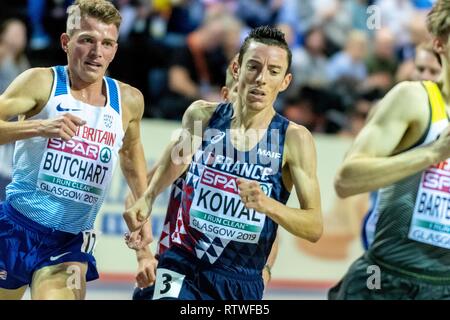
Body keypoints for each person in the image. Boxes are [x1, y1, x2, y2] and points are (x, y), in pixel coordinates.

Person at [125, 25, 323, 300]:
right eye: (253, 67)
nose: (261, 79)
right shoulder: (201, 116)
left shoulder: (294, 139)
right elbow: (175, 162)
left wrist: (267, 205)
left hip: (241, 281)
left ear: (285, 81)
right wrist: (148, 198)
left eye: (273, 72)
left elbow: (314, 226)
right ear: (236, 69)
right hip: (182, 264)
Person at [0, 0, 149, 300]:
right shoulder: (41, 82)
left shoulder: (128, 100)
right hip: (16, 227)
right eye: (87, 41)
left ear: (115, 50)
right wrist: (39, 127)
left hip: (69, 243)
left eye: (107, 43)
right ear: (66, 42)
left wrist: (142, 212)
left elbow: (131, 155)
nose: (97, 53)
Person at [329, 0, 450, 299]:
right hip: (388, 279)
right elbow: (346, 180)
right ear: (440, 43)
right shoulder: (414, 98)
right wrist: (433, 154)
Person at [131, 57, 280, 299]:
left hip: (231, 282)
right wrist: (144, 256)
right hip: (177, 270)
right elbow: (136, 195)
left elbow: (271, 232)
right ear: (224, 94)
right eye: (238, 91)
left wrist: (265, 271)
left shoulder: (262, 159)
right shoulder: (193, 138)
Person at [361, 41, 443, 251]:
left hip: (434, 226)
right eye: (420, 68)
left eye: (433, 71)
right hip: (389, 221)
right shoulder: (389, 106)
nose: (425, 76)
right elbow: (358, 168)